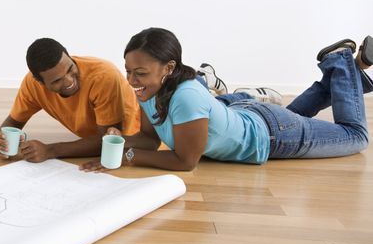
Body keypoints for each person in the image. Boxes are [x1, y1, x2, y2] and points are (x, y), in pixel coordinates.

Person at [81, 28, 373, 172]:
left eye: (140, 73)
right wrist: (120, 142)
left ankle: (342, 61)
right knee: (297, 121)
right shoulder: (148, 91)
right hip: (249, 115)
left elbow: (186, 161)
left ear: (168, 68)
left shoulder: (186, 98)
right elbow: (148, 138)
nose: (131, 81)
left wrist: (127, 158)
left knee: (355, 136)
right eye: (129, 71)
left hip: (271, 135)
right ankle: (345, 69)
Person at [0, 38, 141, 162]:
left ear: (69, 56)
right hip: (92, 137)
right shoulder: (32, 85)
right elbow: (13, 122)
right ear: (40, 83)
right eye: (57, 80)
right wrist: (1, 141)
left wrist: (50, 150)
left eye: (70, 68)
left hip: (134, 139)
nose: (69, 81)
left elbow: (106, 142)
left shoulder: (104, 77)